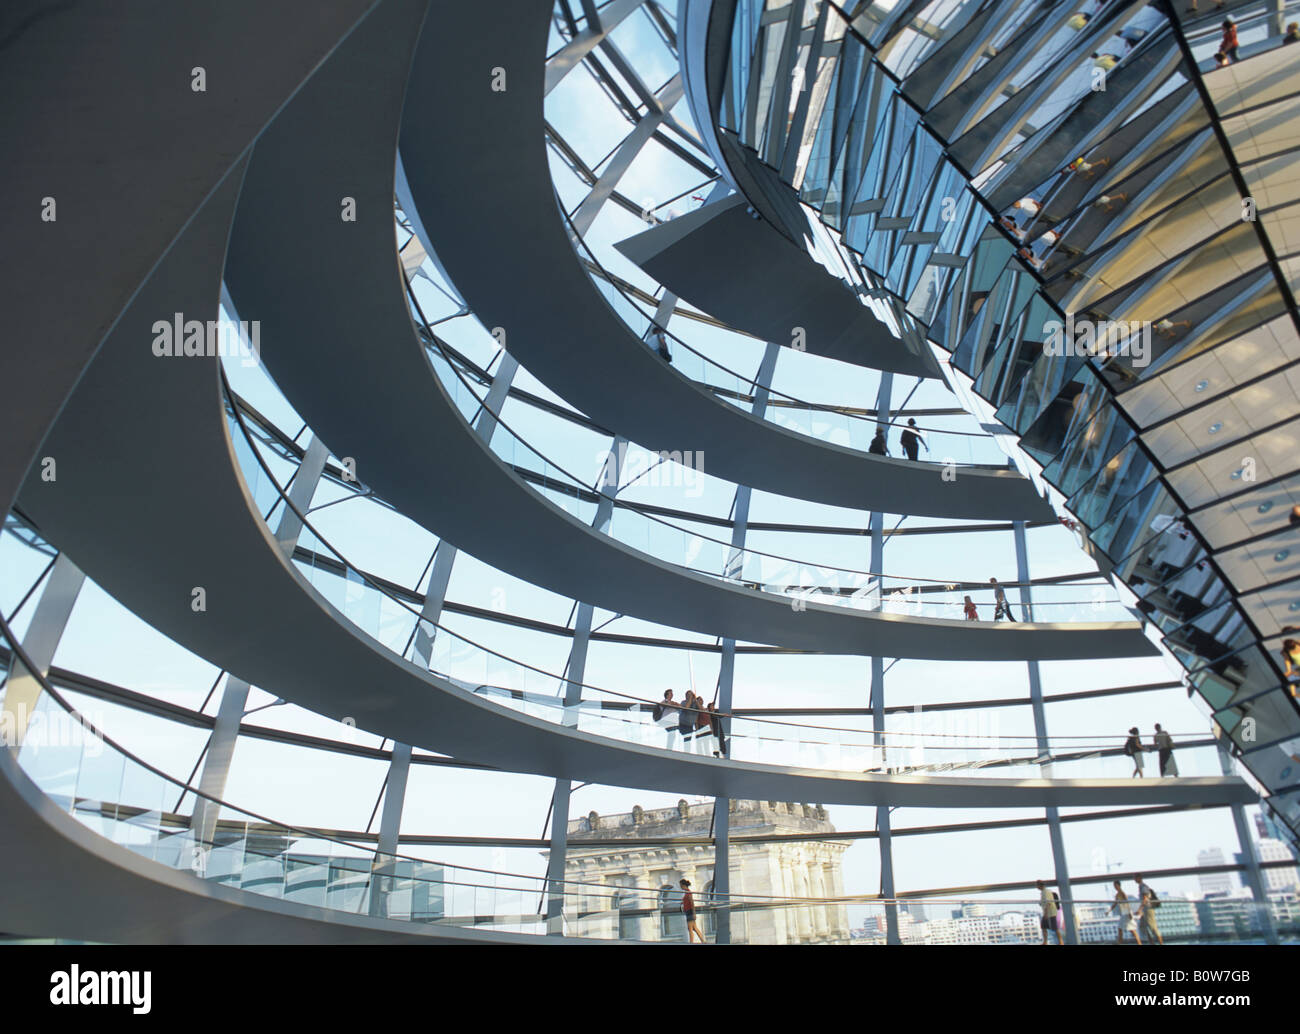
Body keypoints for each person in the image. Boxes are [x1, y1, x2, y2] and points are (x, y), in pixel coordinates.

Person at [1135, 875, 1164, 945]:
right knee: (1144, 927)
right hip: (1145, 910)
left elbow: (1145, 899)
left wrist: (1139, 909)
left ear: (1139, 878)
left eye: (1135, 878)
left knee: (1153, 927)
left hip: (1148, 908)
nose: (1134, 880)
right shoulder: (1141, 886)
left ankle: (1161, 943)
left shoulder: (1143, 886)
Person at [1038, 880, 1063, 945]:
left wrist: (1046, 913)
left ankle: (1061, 942)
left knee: (1054, 928)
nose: (1037, 887)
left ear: (1040, 885)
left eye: (1037, 885)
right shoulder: (1044, 892)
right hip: (1048, 912)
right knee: (1043, 926)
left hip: (1050, 912)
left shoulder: (1046, 892)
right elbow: (1044, 902)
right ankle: (1045, 942)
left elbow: (1048, 903)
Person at [680, 879, 705, 943]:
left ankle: (691, 942)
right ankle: (703, 941)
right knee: (694, 928)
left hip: (689, 911)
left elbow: (692, 902)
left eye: (680, 885)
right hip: (688, 911)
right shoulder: (686, 892)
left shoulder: (688, 892)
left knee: (690, 928)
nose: (680, 886)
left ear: (683, 885)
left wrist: (694, 913)